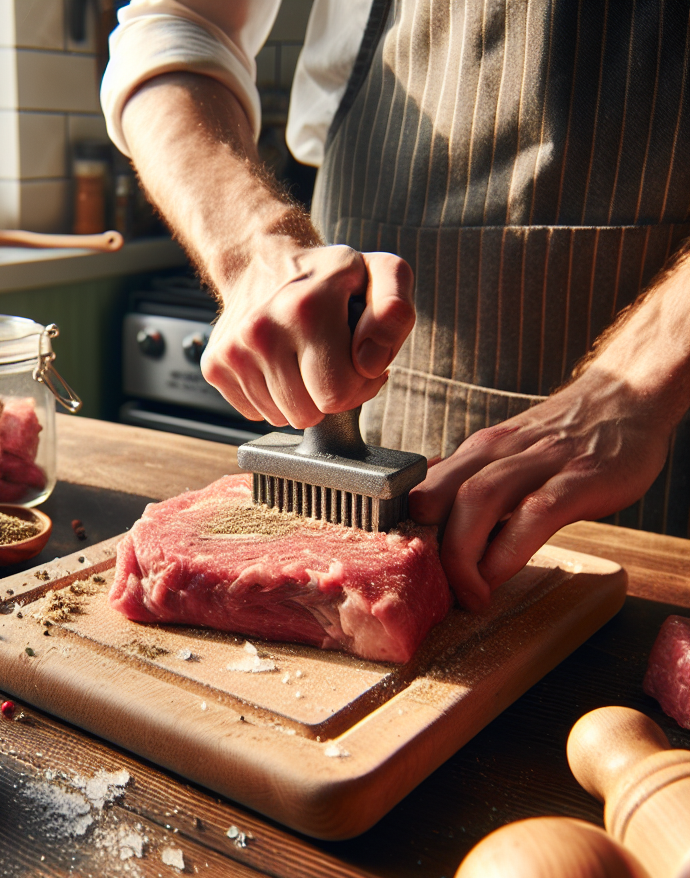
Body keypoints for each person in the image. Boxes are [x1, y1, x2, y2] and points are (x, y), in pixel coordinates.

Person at [100, 1, 690, 611]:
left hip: (671, 409)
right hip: (397, 400)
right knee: (383, 583)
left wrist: (642, 385)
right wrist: (253, 249)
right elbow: (175, 21)